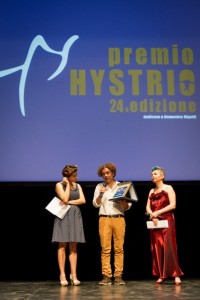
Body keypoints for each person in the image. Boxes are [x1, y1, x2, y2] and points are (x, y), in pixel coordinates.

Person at [93, 162, 132, 285]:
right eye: (103, 173)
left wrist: (122, 202)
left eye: (108, 173)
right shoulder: (100, 186)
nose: (105, 175)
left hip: (118, 218)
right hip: (104, 218)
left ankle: (118, 275)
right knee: (105, 249)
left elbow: (128, 206)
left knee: (119, 248)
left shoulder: (122, 186)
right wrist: (101, 194)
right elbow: (95, 204)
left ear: (113, 173)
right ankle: (106, 276)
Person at [146, 166, 184, 285]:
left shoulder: (168, 188)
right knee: (157, 248)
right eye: (152, 174)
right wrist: (152, 214)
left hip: (167, 220)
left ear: (162, 176)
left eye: (155, 174)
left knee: (169, 247)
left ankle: (176, 274)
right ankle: (161, 275)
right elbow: (147, 207)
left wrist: (158, 212)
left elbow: (173, 205)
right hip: (155, 221)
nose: (153, 176)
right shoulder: (151, 191)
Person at [52, 164, 86, 286]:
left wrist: (69, 202)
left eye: (76, 175)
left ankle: (74, 275)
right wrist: (66, 186)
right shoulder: (59, 185)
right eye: (74, 175)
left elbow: (82, 200)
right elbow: (64, 198)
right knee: (62, 245)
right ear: (67, 176)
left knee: (73, 246)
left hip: (75, 215)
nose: (76, 177)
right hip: (63, 215)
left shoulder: (78, 186)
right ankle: (62, 275)